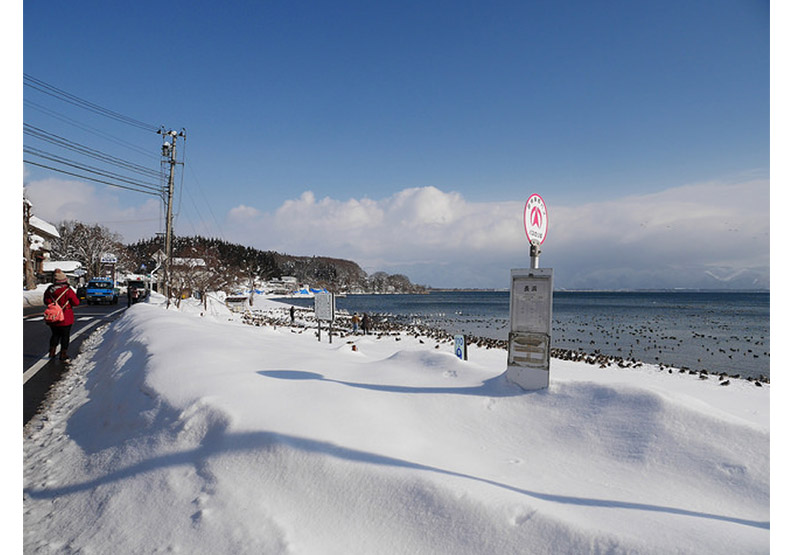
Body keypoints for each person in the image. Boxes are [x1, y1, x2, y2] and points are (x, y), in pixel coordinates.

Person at [43, 269, 80, 361]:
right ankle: (63, 354)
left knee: (55, 334)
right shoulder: (67, 290)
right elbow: (76, 302)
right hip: (65, 316)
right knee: (65, 336)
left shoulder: (49, 290)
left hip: (53, 316)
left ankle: (52, 351)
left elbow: (46, 301)